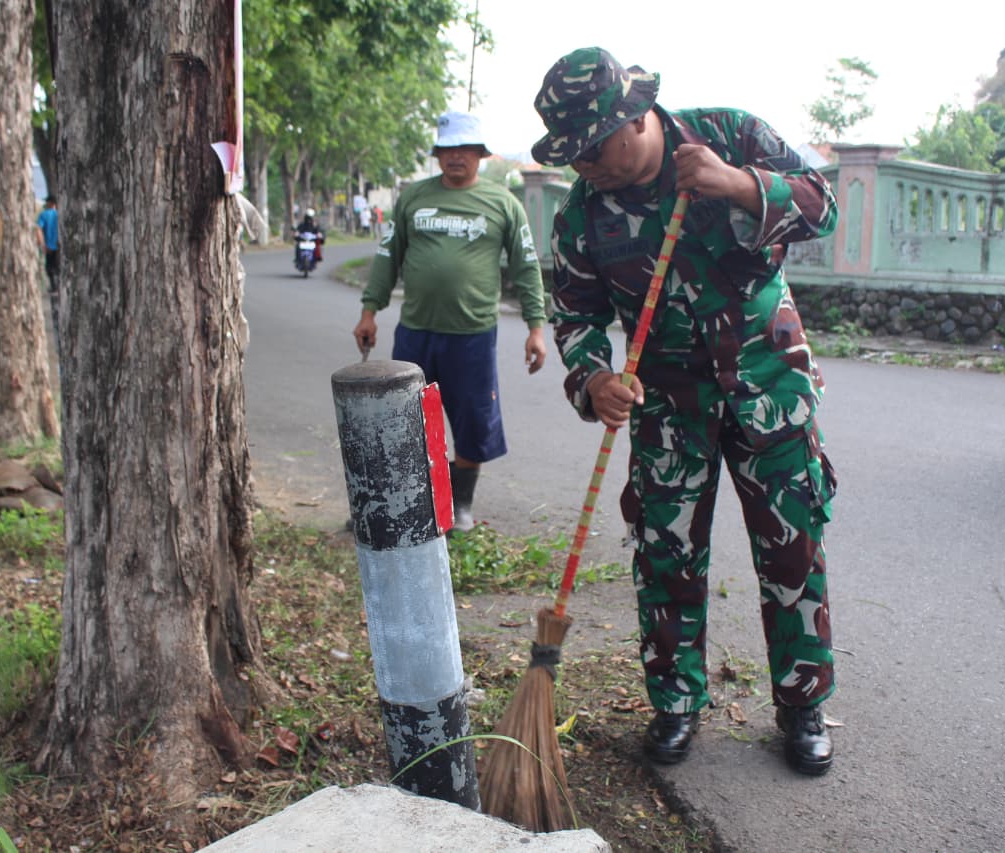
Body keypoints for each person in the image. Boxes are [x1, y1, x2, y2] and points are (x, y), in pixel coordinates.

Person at [531, 47, 839, 775]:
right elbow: (573, 316)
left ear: (633, 117)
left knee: (792, 549)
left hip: (770, 384)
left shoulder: (727, 135)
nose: (585, 167)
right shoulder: (581, 215)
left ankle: (802, 702)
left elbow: (822, 204)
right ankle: (674, 702)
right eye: (569, 156)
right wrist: (592, 378)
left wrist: (739, 185)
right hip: (667, 405)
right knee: (666, 556)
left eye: (593, 148)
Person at [353, 111, 547, 531]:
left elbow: (526, 266)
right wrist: (369, 311)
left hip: (472, 335)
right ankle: (411, 504)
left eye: (465, 149)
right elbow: (388, 258)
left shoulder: (503, 204)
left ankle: (458, 505)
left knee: (472, 420)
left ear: (480, 154)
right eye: (447, 149)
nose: (456, 156)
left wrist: (535, 328)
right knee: (405, 421)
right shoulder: (413, 198)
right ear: (438, 154)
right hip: (416, 331)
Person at [36, 195, 60, 294]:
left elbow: (38, 229)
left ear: (51, 203)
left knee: (50, 267)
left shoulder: (43, 215)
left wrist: (42, 244)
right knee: (57, 266)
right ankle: (58, 285)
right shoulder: (59, 214)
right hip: (59, 246)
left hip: (49, 245)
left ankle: (54, 286)